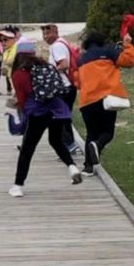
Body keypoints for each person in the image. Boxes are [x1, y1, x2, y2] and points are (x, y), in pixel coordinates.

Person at [8, 40, 82, 197]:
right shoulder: (47, 67)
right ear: (33, 53)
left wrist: (21, 113)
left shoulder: (19, 74)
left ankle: (18, 186)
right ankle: (72, 167)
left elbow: (21, 99)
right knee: (55, 141)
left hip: (38, 113)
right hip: (58, 111)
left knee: (27, 149)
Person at [75, 31, 134, 176]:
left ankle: (88, 168)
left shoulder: (81, 59)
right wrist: (127, 44)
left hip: (86, 101)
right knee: (107, 132)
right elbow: (129, 61)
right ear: (103, 41)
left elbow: (77, 83)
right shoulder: (109, 52)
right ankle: (97, 145)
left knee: (91, 133)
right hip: (106, 99)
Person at [41, 24, 79, 154]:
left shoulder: (57, 46)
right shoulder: (62, 42)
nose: (45, 37)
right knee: (64, 115)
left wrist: (50, 73)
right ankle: (69, 144)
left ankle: (69, 144)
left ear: (55, 32)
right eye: (44, 34)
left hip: (64, 86)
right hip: (68, 86)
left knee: (59, 116)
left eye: (48, 33)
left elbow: (64, 64)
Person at [0, 26, 17, 95]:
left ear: (13, 39)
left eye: (5, 40)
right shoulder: (7, 50)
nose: (3, 42)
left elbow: (11, 61)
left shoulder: (16, 48)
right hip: (10, 75)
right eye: (1, 40)